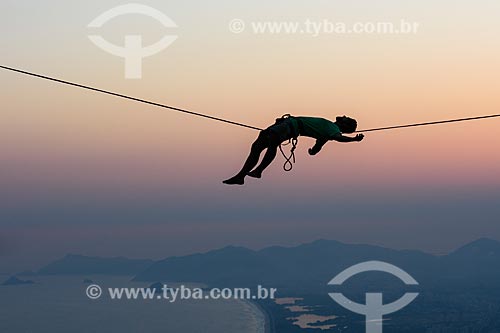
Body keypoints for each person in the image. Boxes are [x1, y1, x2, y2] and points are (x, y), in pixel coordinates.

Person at [223, 115, 365, 185]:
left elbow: (339, 138)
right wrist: (312, 151)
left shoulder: (333, 129)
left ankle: (258, 171)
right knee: (256, 147)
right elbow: (317, 147)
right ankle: (241, 176)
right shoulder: (328, 132)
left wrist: (353, 140)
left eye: (346, 118)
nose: (343, 116)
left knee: (272, 143)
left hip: (288, 127)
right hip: (287, 125)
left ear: (344, 126)